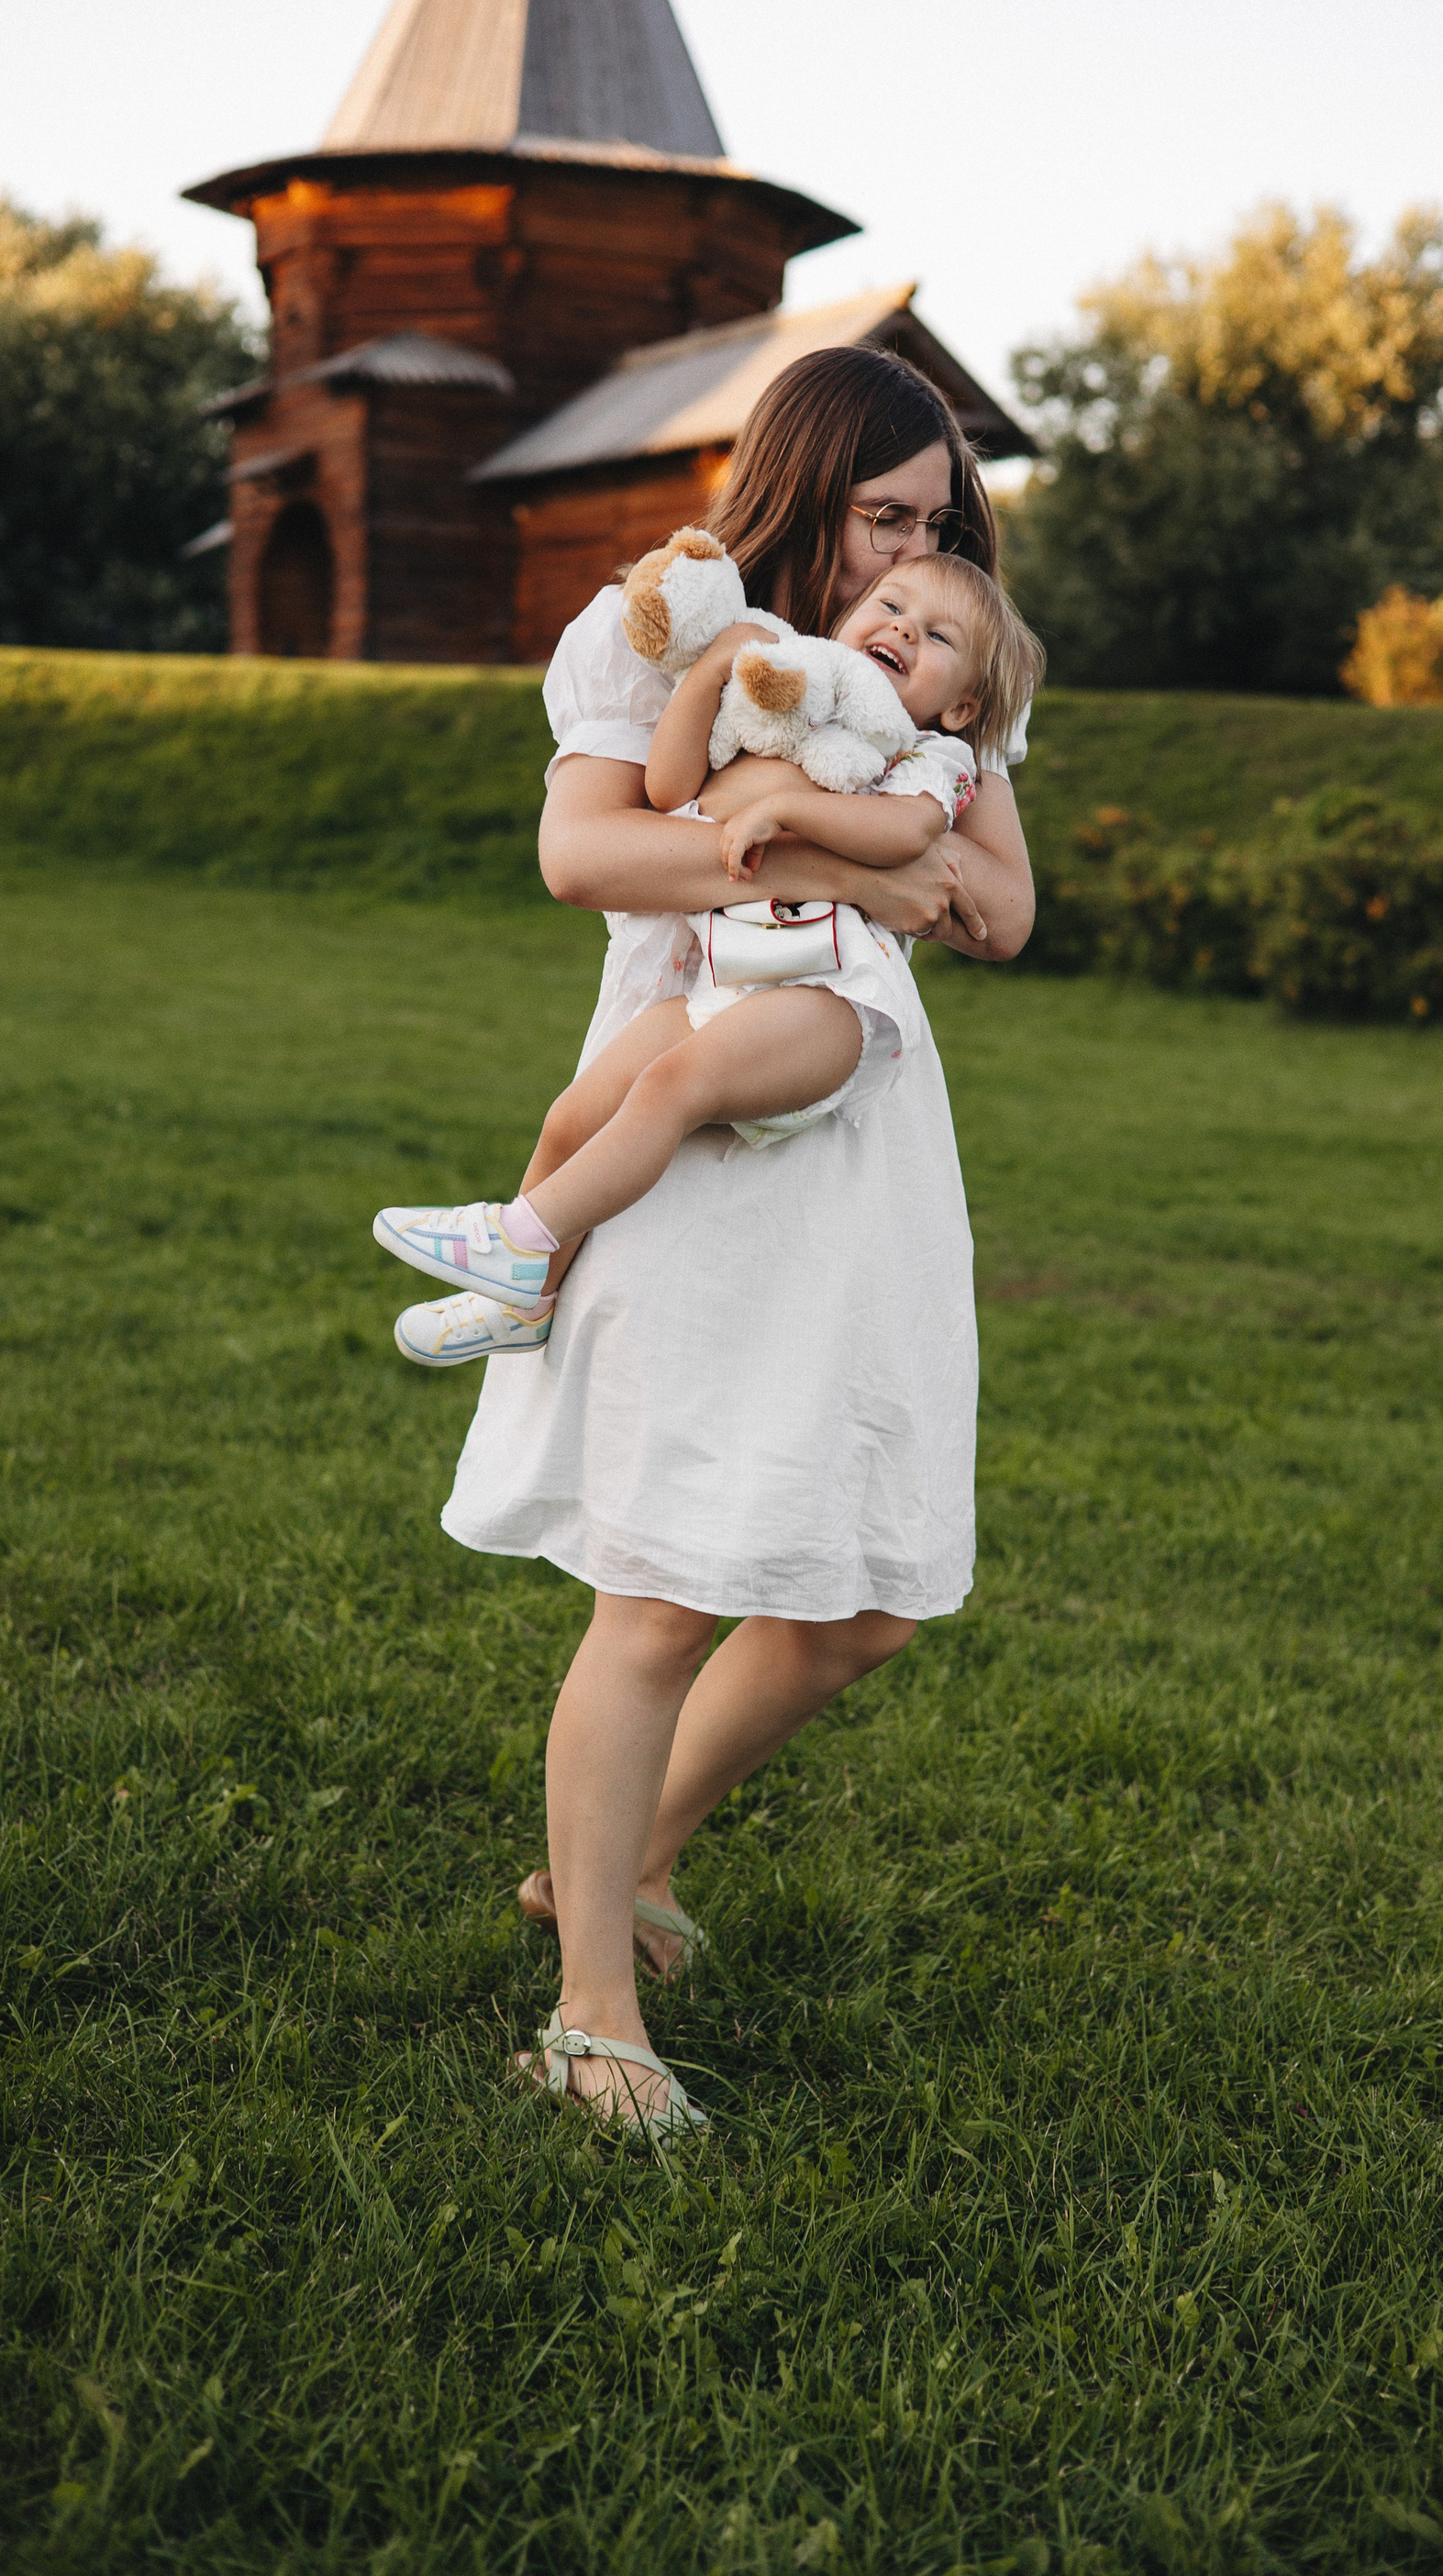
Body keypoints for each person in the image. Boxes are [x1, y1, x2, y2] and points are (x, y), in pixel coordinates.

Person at [397, 347, 1037, 2137]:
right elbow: (587, 855)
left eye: (932, 520)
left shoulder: (943, 662)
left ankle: (622, 1860)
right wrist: (850, 869)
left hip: (865, 1125)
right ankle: (591, 2016)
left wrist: (875, 856)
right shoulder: (667, 626)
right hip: (689, 1102)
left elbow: (1000, 904)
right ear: (804, 483)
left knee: (861, 1606)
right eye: (880, 513)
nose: (904, 552)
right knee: (665, 1583)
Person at [372, 552, 1039, 1306]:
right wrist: (715, 669)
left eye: (938, 636)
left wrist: (783, 809)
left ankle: (521, 1242)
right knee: (580, 1110)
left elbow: (904, 833)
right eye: (890, 606)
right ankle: (522, 1302)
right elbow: (669, 790)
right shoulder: (789, 697)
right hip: (731, 980)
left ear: (961, 708)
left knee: (669, 1087)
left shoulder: (930, 755)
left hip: (833, 996)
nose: (905, 629)